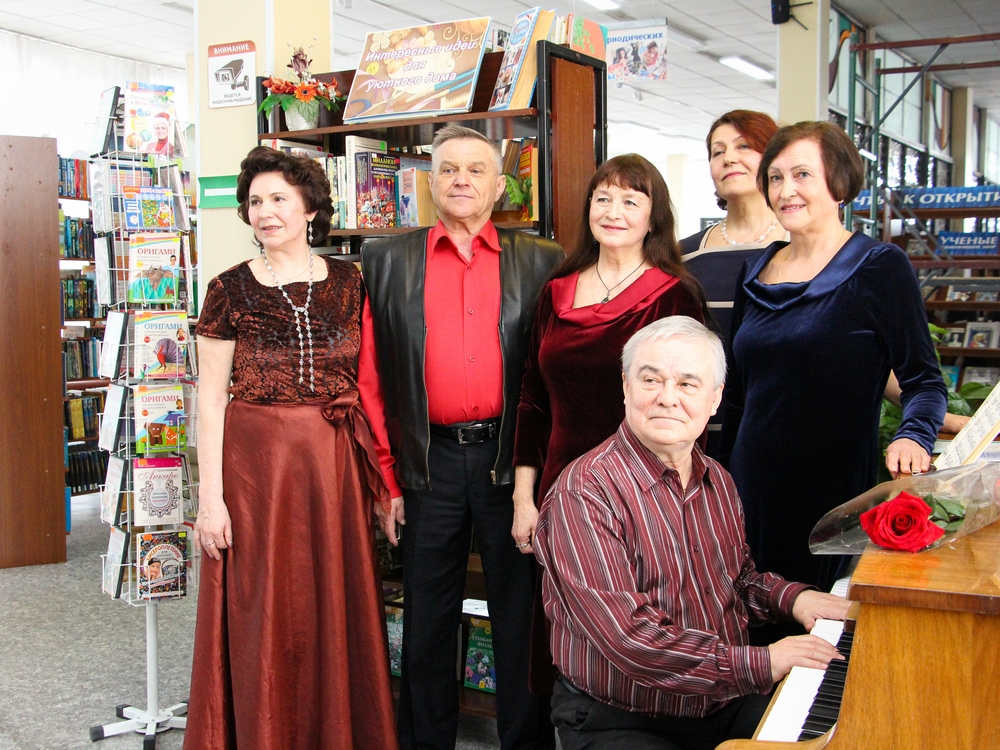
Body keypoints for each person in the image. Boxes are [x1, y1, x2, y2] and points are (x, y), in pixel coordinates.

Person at [533, 317, 851, 750]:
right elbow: (629, 640)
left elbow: (736, 582)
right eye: (651, 380)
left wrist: (794, 599)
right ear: (626, 387)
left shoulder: (718, 479)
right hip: (620, 717)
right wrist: (763, 662)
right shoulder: (584, 491)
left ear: (714, 398)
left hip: (720, 700)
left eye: (687, 384)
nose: (668, 398)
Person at [358, 125, 563, 750]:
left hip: (513, 459)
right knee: (427, 619)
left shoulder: (543, 260)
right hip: (429, 461)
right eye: (448, 169)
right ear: (429, 182)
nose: (461, 180)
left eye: (477, 170)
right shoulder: (386, 260)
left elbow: (554, 374)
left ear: (500, 187)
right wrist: (387, 480)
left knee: (520, 618)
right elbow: (372, 379)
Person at [185, 146, 396, 750]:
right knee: (263, 603)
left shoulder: (352, 283)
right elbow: (210, 400)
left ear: (310, 209)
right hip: (256, 472)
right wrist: (210, 500)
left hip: (332, 465)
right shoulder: (227, 289)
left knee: (332, 601)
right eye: (255, 202)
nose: (265, 212)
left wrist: (384, 481)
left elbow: (373, 385)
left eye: (279, 198)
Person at [720, 121, 947, 597]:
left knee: (819, 628)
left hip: (833, 497)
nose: (786, 190)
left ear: (839, 183)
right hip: (748, 489)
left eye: (802, 174)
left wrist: (914, 435)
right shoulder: (754, 270)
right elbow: (737, 397)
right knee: (748, 621)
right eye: (776, 177)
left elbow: (924, 382)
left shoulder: (879, 267)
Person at [511, 154, 706, 692]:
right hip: (558, 485)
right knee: (560, 625)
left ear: (653, 217)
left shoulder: (673, 295)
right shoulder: (556, 290)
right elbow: (532, 396)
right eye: (603, 199)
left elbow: (690, 407)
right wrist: (524, 497)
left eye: (629, 201)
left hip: (640, 489)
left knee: (631, 628)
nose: (613, 212)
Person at [679, 110, 785, 343]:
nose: (728, 158)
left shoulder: (801, 244)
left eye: (743, 146)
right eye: (718, 152)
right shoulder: (685, 253)